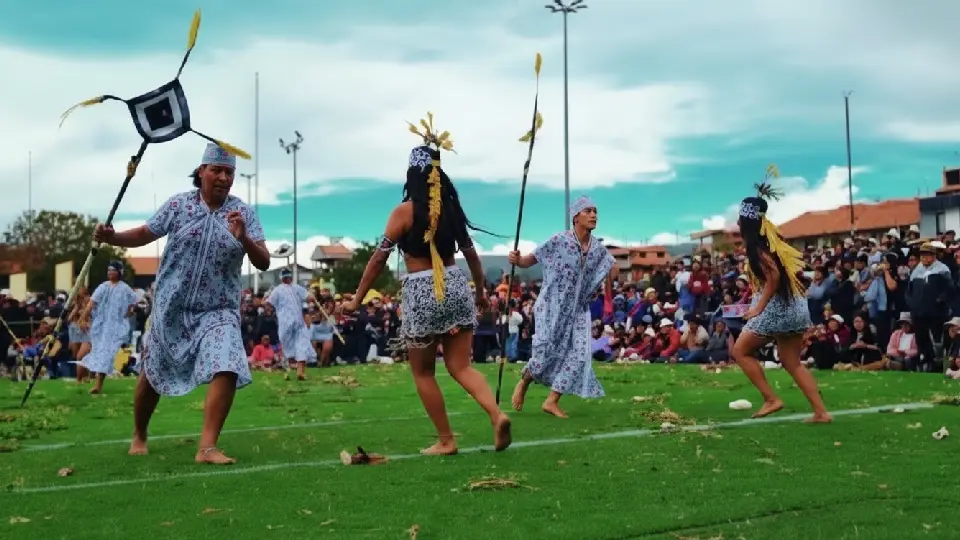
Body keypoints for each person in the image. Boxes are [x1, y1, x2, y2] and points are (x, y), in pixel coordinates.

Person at [341, 114, 511, 455]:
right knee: (461, 366)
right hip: (455, 283)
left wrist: (357, 299)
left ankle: (447, 440)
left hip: (421, 290)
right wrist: (480, 293)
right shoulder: (452, 210)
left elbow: (377, 260)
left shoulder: (403, 212)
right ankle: (496, 414)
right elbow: (473, 258)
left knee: (423, 372)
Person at [93, 142, 271, 464]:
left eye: (229, 172)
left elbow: (263, 262)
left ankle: (207, 447)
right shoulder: (178, 205)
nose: (223, 177)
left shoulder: (243, 212)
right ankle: (140, 433)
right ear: (201, 171)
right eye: (216, 170)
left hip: (218, 309)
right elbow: (146, 233)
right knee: (152, 375)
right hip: (170, 308)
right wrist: (113, 238)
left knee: (227, 361)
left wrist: (243, 238)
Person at [730, 170, 831, 422]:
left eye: (740, 219)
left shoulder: (757, 247)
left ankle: (771, 399)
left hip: (777, 309)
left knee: (740, 352)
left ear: (747, 222)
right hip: (796, 306)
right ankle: (821, 412)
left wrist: (758, 307)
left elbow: (773, 276)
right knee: (791, 362)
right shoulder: (771, 243)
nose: (738, 223)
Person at [507, 195, 617, 418]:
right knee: (546, 353)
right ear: (576, 216)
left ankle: (552, 400)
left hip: (578, 310)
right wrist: (516, 260)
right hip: (552, 307)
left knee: (580, 354)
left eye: (596, 211)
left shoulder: (597, 249)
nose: (594, 215)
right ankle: (525, 380)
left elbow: (611, 267)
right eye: (588, 211)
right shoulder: (559, 240)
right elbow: (529, 260)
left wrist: (603, 291)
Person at [81, 262, 137, 395]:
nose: (110, 272)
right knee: (98, 352)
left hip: (116, 327)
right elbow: (91, 303)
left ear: (119, 272)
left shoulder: (125, 289)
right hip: (101, 326)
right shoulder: (103, 287)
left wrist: (129, 312)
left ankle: (98, 384)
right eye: (109, 270)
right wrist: (83, 318)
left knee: (107, 354)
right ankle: (92, 379)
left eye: (113, 270)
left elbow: (133, 304)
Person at [265, 268, 316, 380]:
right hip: (286, 323)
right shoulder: (278, 290)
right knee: (290, 347)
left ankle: (300, 371)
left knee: (301, 344)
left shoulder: (295, 288)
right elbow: (269, 302)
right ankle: (292, 368)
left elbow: (308, 297)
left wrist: (311, 296)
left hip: (297, 322)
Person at [67, 287, 92, 383]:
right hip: (76, 331)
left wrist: (87, 323)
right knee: (76, 355)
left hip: (89, 332)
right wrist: (76, 308)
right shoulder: (76, 304)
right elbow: (69, 319)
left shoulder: (91, 303)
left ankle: (78, 380)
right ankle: (85, 377)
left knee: (80, 356)